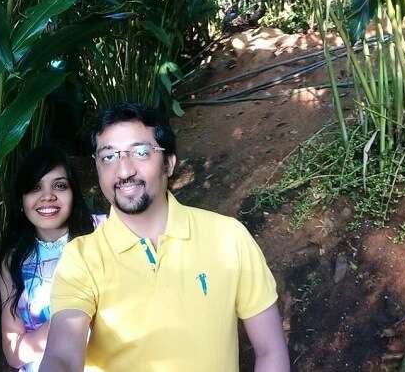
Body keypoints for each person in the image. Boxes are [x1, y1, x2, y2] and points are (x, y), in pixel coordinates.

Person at [40, 102, 290, 372]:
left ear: (169, 163)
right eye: (109, 157)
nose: (124, 171)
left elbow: (270, 350)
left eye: (140, 152)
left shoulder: (228, 238)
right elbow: (62, 356)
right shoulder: (82, 259)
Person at [0, 146, 95, 372]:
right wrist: (69, 323)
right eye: (35, 187)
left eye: (60, 185)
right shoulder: (13, 260)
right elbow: (13, 353)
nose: (48, 196)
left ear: (74, 193)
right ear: (21, 201)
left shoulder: (101, 235)